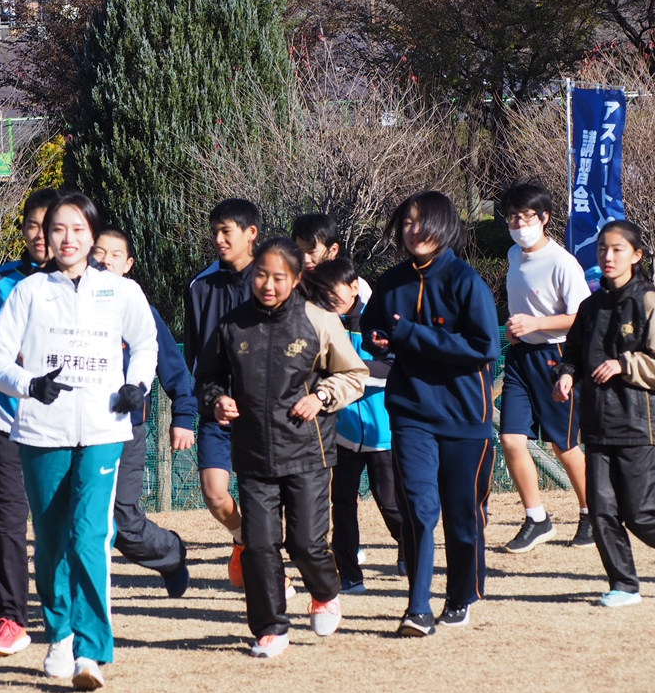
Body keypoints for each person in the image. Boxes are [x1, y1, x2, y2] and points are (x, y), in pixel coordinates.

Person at [0, 192, 158, 690]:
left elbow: (146, 344)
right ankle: (58, 636)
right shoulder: (29, 292)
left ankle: (91, 651)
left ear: (92, 235)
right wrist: (29, 385)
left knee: (89, 536)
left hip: (104, 430)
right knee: (52, 540)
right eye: (58, 229)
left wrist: (137, 385)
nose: (66, 238)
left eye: (78, 229)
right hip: (41, 432)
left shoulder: (120, 292)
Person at [195, 237, 367, 658]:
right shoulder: (233, 324)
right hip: (253, 454)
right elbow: (209, 378)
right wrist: (218, 400)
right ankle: (270, 626)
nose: (267, 285)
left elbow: (354, 374)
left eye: (278, 278)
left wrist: (322, 397)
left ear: (295, 278)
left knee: (306, 543)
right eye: (260, 275)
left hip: (308, 452)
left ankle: (325, 592)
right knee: (258, 545)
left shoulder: (319, 320)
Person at [360, 191, 500, 636]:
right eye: (406, 223)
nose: (413, 230)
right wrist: (380, 337)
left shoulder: (466, 280)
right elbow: (372, 327)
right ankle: (417, 608)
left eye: (422, 222)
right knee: (420, 509)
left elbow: (484, 349)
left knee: (463, 517)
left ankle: (461, 596)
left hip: (465, 417)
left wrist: (409, 334)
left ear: (445, 225)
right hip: (410, 413)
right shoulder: (391, 280)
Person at [553, 220, 655, 607]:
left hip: (641, 425)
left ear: (637, 255)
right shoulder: (590, 307)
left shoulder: (651, 305)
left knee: (640, 512)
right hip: (598, 424)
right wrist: (566, 375)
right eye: (602, 249)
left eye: (617, 249)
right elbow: (574, 355)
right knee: (602, 512)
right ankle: (624, 585)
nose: (608, 256)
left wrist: (624, 364)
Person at [0, 186, 58, 658]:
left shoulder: (88, 284)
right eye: (32, 225)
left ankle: (66, 612)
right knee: (7, 523)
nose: (40, 235)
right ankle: (10, 619)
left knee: (59, 526)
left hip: (67, 427)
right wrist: (4, 376)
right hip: (9, 424)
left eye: (50, 225)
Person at [91, 227, 194, 596]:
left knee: (123, 520)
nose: (104, 260)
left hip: (126, 431)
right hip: (79, 429)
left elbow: (172, 365)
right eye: (98, 251)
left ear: (129, 264)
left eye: (114, 254)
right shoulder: (73, 304)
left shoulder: (139, 308)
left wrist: (183, 416)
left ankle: (170, 554)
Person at [498, 183, 593, 552]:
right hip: (521, 357)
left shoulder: (562, 262)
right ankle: (537, 518)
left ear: (544, 218)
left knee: (564, 445)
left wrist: (536, 325)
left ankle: (591, 514)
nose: (519, 224)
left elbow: (581, 320)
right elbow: (523, 310)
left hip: (558, 359)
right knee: (510, 439)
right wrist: (516, 327)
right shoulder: (512, 255)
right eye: (512, 217)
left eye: (526, 216)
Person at [312, 256, 404, 592]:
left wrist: (350, 376)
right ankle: (350, 573)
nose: (328, 298)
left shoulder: (378, 321)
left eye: (332, 290)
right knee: (342, 504)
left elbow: (393, 369)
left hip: (384, 433)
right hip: (344, 433)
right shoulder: (325, 325)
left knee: (390, 501)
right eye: (322, 292)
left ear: (353, 287)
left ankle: (408, 546)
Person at [184, 198, 259, 589]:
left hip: (263, 413)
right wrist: (207, 400)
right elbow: (194, 356)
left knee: (264, 500)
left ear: (251, 234)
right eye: (214, 231)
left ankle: (266, 566)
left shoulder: (273, 280)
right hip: (216, 409)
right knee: (215, 495)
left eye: (226, 231)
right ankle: (245, 540)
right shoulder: (200, 286)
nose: (218, 239)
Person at [291, 212, 372, 303]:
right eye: (300, 252)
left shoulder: (355, 286)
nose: (306, 259)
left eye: (311, 252)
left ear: (333, 250)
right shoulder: (290, 284)